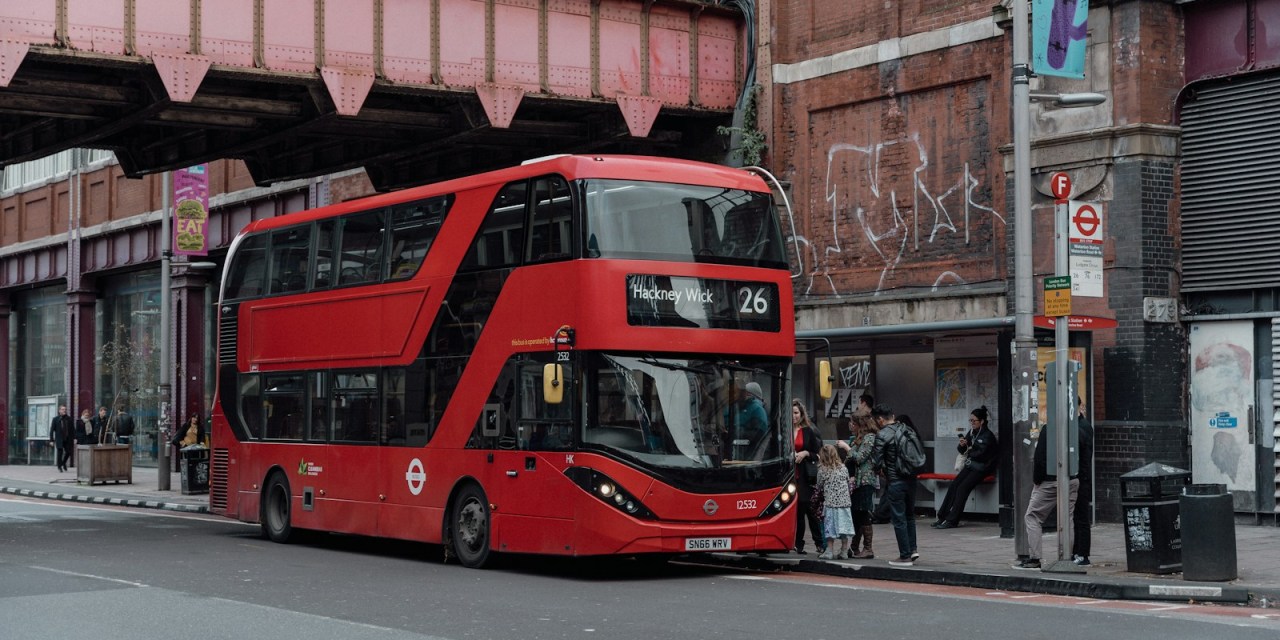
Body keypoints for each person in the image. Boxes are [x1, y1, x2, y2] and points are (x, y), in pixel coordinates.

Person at [1013, 413, 1081, 570]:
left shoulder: (1049, 429)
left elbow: (1040, 456)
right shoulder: (1075, 429)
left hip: (1050, 481)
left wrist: (1037, 481)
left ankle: (1035, 558)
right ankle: (1067, 557)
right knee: (1067, 518)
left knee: (1032, 516)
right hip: (1072, 479)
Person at [869, 405, 920, 567]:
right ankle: (912, 549)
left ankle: (905, 556)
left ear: (880, 419)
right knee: (910, 516)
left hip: (895, 480)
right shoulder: (907, 429)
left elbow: (875, 463)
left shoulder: (882, 434)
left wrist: (881, 471)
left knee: (898, 518)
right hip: (911, 480)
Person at [933, 405, 999, 529]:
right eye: (971, 421)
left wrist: (969, 449)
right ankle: (942, 516)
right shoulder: (972, 433)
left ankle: (952, 520)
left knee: (962, 488)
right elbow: (962, 450)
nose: (972, 423)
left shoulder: (987, 436)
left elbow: (981, 454)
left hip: (982, 468)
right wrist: (963, 445)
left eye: (974, 421)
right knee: (954, 485)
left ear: (982, 422)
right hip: (971, 465)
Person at [836, 414, 879, 558]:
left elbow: (860, 458)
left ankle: (868, 548)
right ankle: (853, 547)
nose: (850, 425)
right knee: (856, 513)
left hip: (865, 481)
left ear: (861, 424)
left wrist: (847, 447)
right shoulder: (857, 439)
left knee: (863, 512)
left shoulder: (869, 438)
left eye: (853, 422)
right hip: (855, 482)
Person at [791, 399, 824, 555]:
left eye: (796, 413)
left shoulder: (808, 431)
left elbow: (817, 454)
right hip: (788, 475)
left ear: (801, 414)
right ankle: (798, 544)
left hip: (804, 476)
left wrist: (805, 453)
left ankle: (818, 543)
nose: (793, 416)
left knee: (807, 508)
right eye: (791, 413)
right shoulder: (784, 430)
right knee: (795, 511)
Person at [816, 444, 854, 559]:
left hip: (831, 503)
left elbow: (819, 485)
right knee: (843, 528)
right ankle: (844, 550)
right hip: (844, 503)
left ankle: (829, 551)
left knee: (830, 528)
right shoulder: (843, 468)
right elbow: (847, 481)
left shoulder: (823, 470)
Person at [1072, 397, 1094, 566]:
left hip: (1081, 478)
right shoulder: (1076, 426)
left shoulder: (1082, 427)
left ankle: (1083, 554)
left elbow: (1084, 457)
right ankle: (1076, 551)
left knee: (1081, 517)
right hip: (1077, 477)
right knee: (1076, 517)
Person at [732, 381, 769, 459]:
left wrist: (737, 432)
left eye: (748, 394)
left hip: (755, 454)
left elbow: (758, 434)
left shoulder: (759, 410)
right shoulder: (742, 408)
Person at [49, 405, 75, 472]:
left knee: (68, 452)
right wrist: (51, 440)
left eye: (65, 409)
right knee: (60, 453)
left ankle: (63, 463)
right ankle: (59, 466)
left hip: (67, 438)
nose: (64, 410)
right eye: (63, 409)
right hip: (59, 439)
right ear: (59, 411)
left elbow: (72, 429)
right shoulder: (56, 419)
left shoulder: (69, 419)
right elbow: (52, 430)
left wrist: (75, 438)